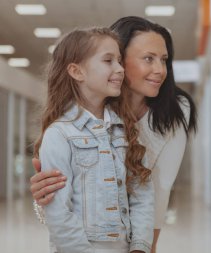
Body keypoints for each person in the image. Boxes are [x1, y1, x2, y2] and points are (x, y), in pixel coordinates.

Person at [30, 16, 197, 253]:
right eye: (148, 58)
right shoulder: (67, 129)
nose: (160, 70)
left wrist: (144, 247)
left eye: (164, 60)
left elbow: (156, 190)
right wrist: (42, 199)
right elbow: (61, 205)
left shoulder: (172, 111)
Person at [34, 27, 154, 253]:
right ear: (77, 71)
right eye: (108, 60)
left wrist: (139, 247)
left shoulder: (127, 130)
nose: (120, 69)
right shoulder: (59, 134)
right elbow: (58, 212)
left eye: (119, 61)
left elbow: (142, 195)